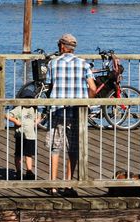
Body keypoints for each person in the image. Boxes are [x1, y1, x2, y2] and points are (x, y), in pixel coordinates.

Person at [45, 33, 95, 196]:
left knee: (55, 146)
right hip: (76, 111)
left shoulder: (53, 63)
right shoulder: (84, 64)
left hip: (57, 109)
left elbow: (49, 85)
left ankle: (53, 185)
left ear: (61, 47)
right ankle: (68, 184)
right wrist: (87, 103)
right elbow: (93, 88)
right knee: (73, 148)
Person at [6, 105, 38, 179]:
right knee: (18, 154)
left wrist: (37, 120)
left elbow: (39, 116)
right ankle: (18, 171)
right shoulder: (19, 108)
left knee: (29, 154)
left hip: (31, 135)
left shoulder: (34, 108)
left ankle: (29, 171)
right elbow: (7, 115)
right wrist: (16, 121)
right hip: (20, 135)